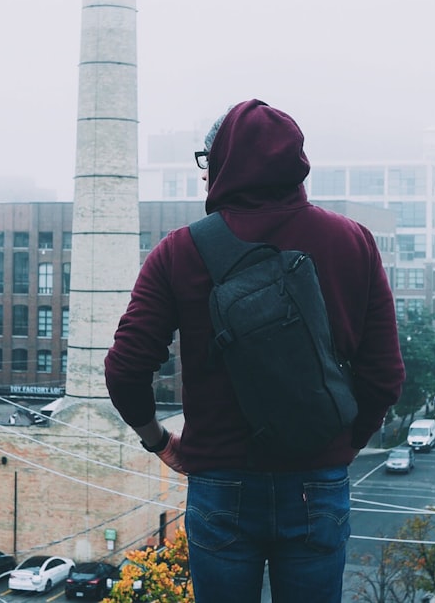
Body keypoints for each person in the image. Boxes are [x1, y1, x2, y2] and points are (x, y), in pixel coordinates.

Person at [104, 99, 405, 603]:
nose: (204, 176)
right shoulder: (353, 242)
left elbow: (124, 370)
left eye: (206, 160)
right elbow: (385, 376)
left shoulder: (179, 252)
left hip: (220, 483)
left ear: (222, 164)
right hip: (318, 482)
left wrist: (159, 440)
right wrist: (345, 447)